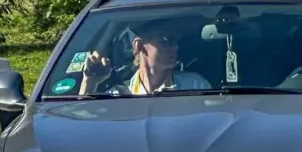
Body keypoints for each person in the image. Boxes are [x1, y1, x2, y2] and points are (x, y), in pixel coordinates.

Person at [80, 19, 210, 95]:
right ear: (139, 46)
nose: (175, 47)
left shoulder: (195, 85)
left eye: (176, 41)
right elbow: (82, 126)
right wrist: (90, 82)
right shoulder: (119, 94)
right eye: (165, 40)